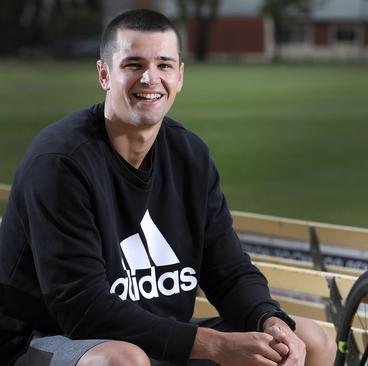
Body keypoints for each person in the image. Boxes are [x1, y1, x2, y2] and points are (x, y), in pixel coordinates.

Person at [0, 9, 335, 366]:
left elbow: (229, 271)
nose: (150, 78)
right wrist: (214, 345)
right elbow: (82, 309)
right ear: (104, 74)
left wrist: (268, 318)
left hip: (156, 336)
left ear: (180, 76)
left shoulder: (190, 155)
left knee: (307, 339)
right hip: (48, 341)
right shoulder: (60, 162)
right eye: (133, 64)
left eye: (164, 65)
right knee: (122, 361)